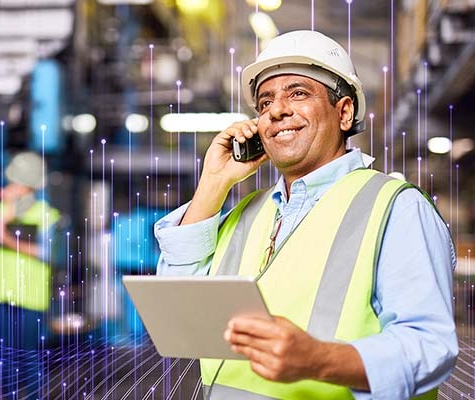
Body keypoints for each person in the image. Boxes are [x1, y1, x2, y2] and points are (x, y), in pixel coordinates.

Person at [154, 30, 457, 400]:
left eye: (298, 93)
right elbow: (180, 312)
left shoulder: (396, 208)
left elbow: (429, 349)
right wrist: (214, 183)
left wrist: (318, 360)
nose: (276, 110)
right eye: (264, 103)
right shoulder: (247, 212)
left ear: (344, 112)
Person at [0, 151, 60, 398]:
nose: (12, 187)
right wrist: (8, 214)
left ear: (30, 186)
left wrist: (8, 238)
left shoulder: (47, 215)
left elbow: (47, 252)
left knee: (28, 355)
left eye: (17, 183)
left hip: (29, 297)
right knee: (3, 356)